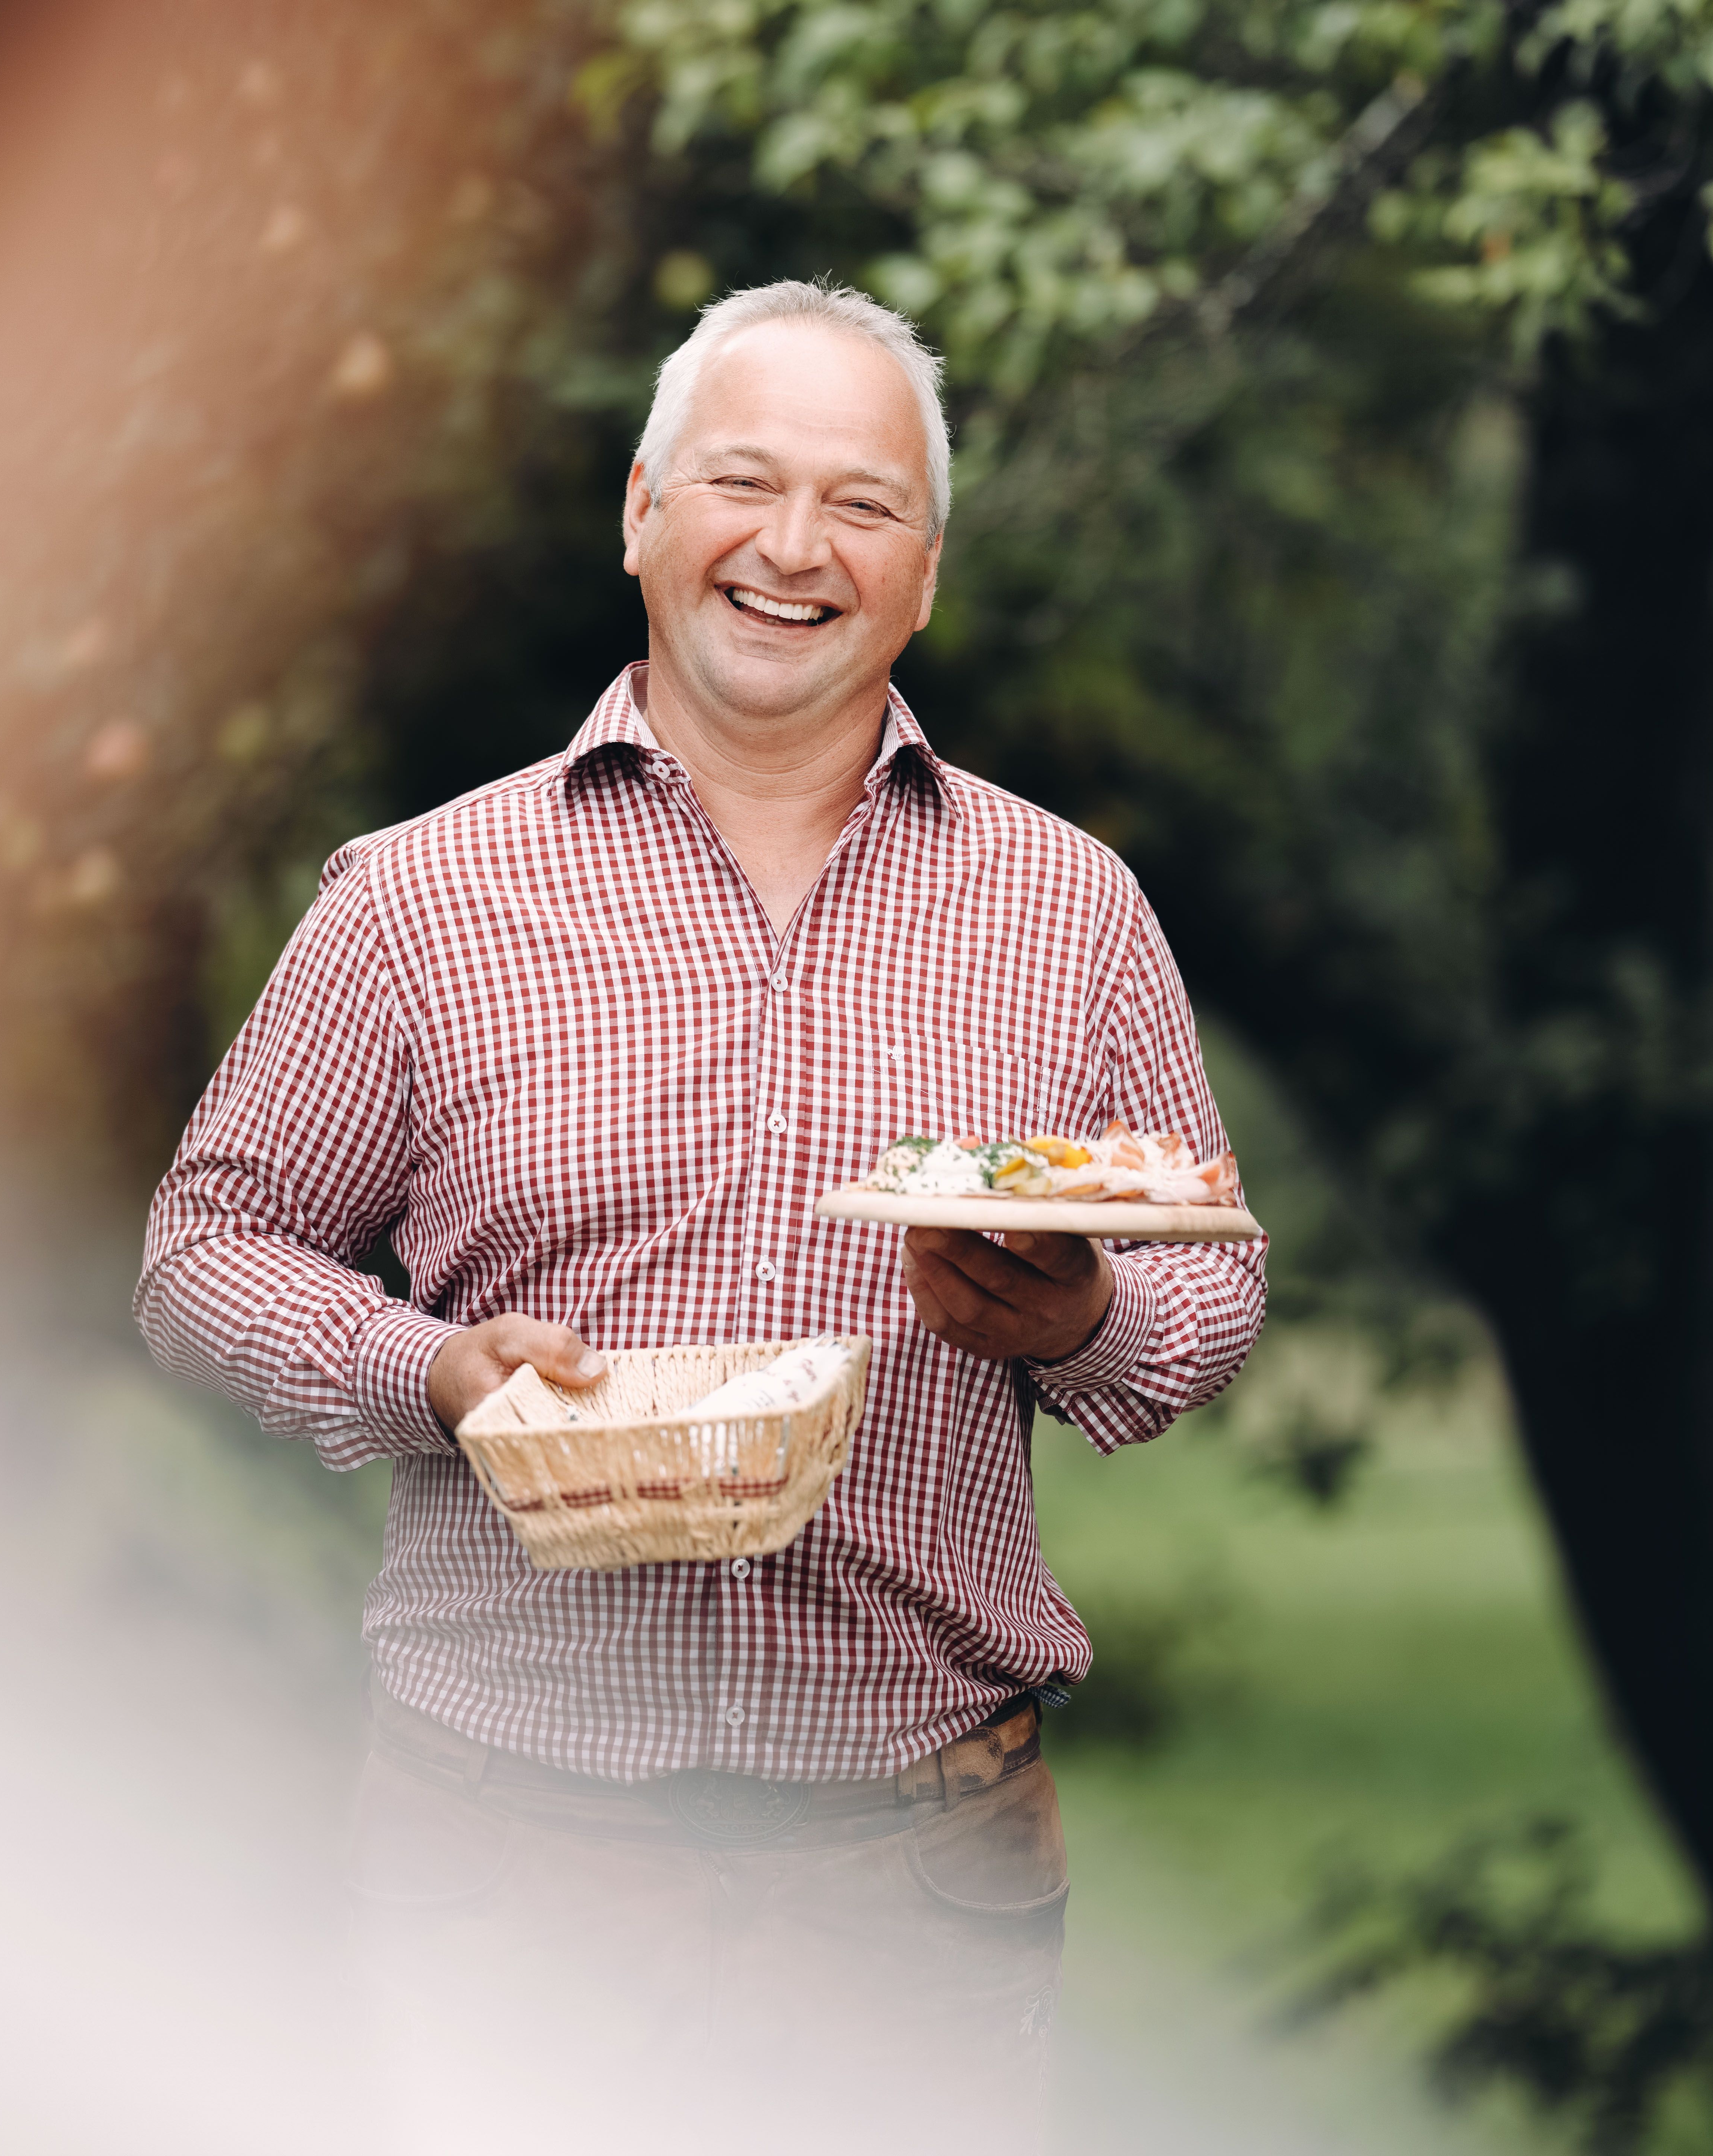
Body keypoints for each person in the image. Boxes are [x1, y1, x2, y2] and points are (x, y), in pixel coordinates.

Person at [137, 279, 1265, 2149]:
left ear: (924, 574)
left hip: (916, 1867)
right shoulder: (422, 899)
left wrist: (1073, 1324)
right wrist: (429, 1369)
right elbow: (203, 1256)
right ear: (645, 511)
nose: (795, 548)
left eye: (865, 505)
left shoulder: (1070, 912)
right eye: (746, 482)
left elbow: (1203, 1306)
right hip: (512, 1852)